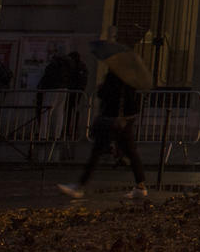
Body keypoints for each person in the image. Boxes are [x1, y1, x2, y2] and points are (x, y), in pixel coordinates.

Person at [58, 41, 151, 201]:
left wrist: (102, 89)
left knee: (97, 152)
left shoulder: (116, 76)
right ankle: (140, 185)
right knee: (131, 152)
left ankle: (80, 185)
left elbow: (108, 95)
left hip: (113, 119)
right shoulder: (129, 78)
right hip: (123, 119)